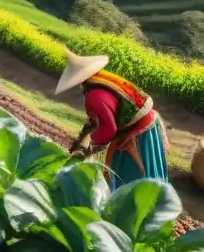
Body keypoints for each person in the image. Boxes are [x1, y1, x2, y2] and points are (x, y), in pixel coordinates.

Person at [55, 48, 170, 190]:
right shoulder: (103, 79)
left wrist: (89, 146)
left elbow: (109, 129)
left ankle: (137, 202)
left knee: (131, 174)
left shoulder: (94, 96)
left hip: (138, 132)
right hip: (147, 121)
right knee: (150, 168)